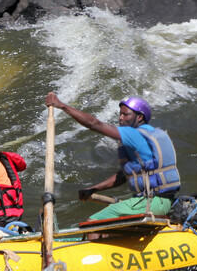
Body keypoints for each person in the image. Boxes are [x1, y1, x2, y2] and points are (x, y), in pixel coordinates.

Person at [45, 93, 181, 220]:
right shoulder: (153, 134)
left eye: (125, 114)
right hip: (166, 201)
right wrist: (93, 189)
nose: (120, 118)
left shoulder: (134, 134)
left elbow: (94, 124)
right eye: (120, 114)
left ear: (139, 117)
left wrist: (61, 105)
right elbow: (124, 175)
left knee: (93, 221)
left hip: (150, 203)